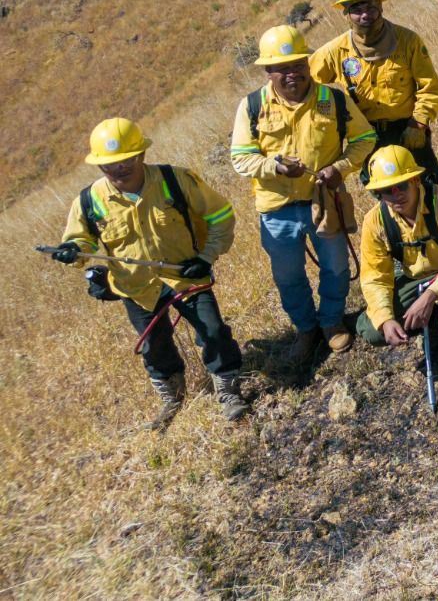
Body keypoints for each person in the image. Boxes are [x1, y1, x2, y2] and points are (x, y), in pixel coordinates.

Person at [53, 118, 247, 428]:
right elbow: (82, 241)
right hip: (136, 287)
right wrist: (72, 250)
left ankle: (228, 392)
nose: (119, 169)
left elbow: (221, 214)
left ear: (142, 154)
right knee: (153, 347)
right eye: (109, 164)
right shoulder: (89, 200)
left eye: (127, 160)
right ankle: (172, 398)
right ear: (99, 166)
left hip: (185, 276)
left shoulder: (175, 180)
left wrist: (207, 257)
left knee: (213, 332)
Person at [231, 25, 375, 362]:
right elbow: (240, 158)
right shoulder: (252, 106)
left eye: (298, 64)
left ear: (308, 64)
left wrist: (340, 168)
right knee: (288, 276)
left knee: (336, 267)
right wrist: (275, 167)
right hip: (276, 210)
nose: (291, 73)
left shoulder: (333, 99)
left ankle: (331, 322)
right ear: (268, 71)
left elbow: (364, 139)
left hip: (324, 203)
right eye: (282, 68)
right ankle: (305, 329)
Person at [355, 146, 438, 385]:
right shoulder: (374, 222)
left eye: (402, 185)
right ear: (377, 192)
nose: (396, 195)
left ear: (416, 180)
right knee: (371, 330)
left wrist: (430, 296)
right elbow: (375, 278)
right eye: (387, 190)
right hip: (416, 280)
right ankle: (431, 323)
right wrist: (386, 319)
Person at [311, 0, 438, 185]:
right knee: (386, 193)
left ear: (381, 6)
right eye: (356, 9)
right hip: (366, 136)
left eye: (371, 6)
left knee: (430, 187)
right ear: (345, 13)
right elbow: (306, 84)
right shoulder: (335, 51)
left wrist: (419, 122)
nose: (365, 14)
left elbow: (430, 87)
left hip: (408, 130)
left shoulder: (407, 41)